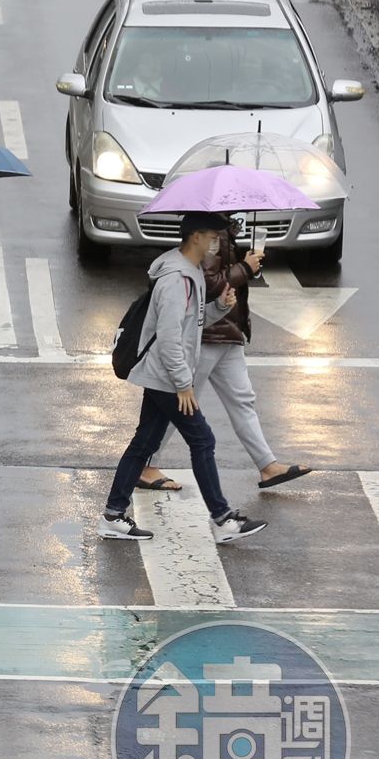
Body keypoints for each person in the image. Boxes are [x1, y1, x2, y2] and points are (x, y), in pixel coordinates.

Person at [99, 212, 268, 545]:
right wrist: (183, 384)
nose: (217, 243)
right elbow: (169, 336)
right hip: (167, 378)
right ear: (196, 237)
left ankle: (113, 515)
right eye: (213, 237)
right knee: (202, 440)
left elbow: (192, 323)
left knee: (144, 443)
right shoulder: (176, 278)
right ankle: (222, 520)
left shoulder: (189, 271)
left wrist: (219, 306)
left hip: (164, 376)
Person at [137, 217, 311, 493]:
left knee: (242, 400)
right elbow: (209, 283)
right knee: (180, 405)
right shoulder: (210, 235)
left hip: (228, 331)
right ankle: (146, 464)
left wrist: (243, 262)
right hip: (207, 335)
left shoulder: (225, 233)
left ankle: (267, 465)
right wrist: (245, 267)